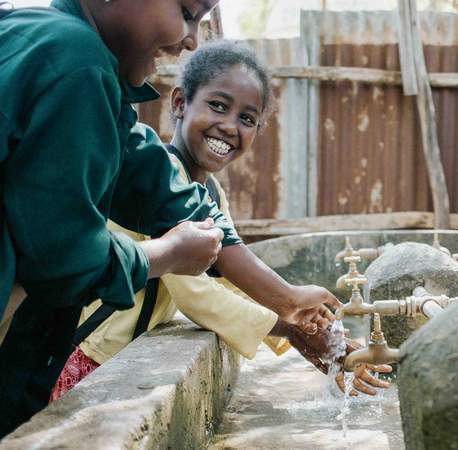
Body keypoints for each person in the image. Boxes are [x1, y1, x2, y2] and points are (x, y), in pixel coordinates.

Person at [0, 0, 339, 436]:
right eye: (186, 10)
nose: (192, 38)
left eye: (247, 118)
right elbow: (65, 260)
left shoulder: (71, 57)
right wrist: (169, 253)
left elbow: (169, 192)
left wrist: (289, 300)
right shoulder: (78, 62)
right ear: (180, 104)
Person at [50, 40, 391, 402]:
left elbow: (227, 279)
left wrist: (309, 327)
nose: (230, 126)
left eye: (246, 119)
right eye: (217, 106)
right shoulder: (158, 179)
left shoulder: (211, 191)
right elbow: (194, 293)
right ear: (179, 103)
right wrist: (290, 328)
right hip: (87, 352)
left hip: (117, 355)